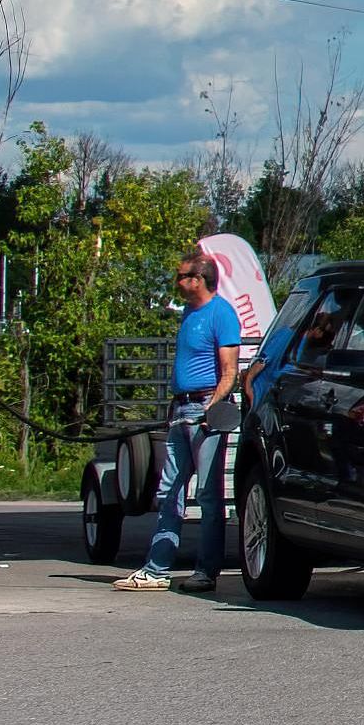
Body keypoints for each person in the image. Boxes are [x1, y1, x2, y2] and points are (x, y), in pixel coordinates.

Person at [116, 251, 247, 594]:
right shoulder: (189, 313)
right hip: (180, 411)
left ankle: (206, 572)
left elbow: (229, 372)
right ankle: (156, 568)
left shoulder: (221, 314)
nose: (177, 283)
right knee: (170, 490)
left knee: (207, 494)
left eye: (182, 276)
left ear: (198, 280)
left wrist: (211, 411)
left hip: (204, 412)